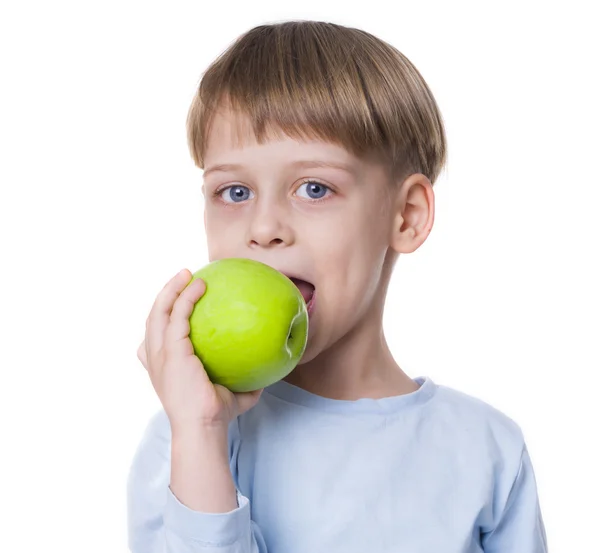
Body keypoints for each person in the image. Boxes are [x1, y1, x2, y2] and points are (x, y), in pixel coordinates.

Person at [127, 20, 547, 553]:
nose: (263, 228)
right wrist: (202, 434)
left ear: (406, 215)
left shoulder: (488, 449)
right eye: (234, 192)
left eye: (314, 187)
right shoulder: (187, 437)